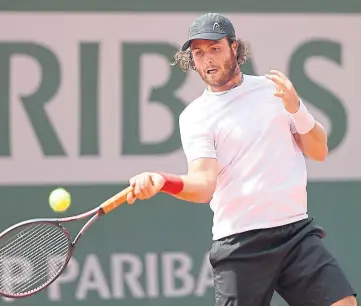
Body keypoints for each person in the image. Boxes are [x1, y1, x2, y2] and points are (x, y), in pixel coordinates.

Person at [126, 12, 357, 306]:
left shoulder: (273, 91)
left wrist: (296, 108)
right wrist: (163, 181)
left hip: (295, 233)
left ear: (234, 47)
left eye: (215, 49)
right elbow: (203, 183)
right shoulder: (195, 117)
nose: (207, 60)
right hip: (240, 244)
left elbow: (319, 150)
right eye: (198, 53)